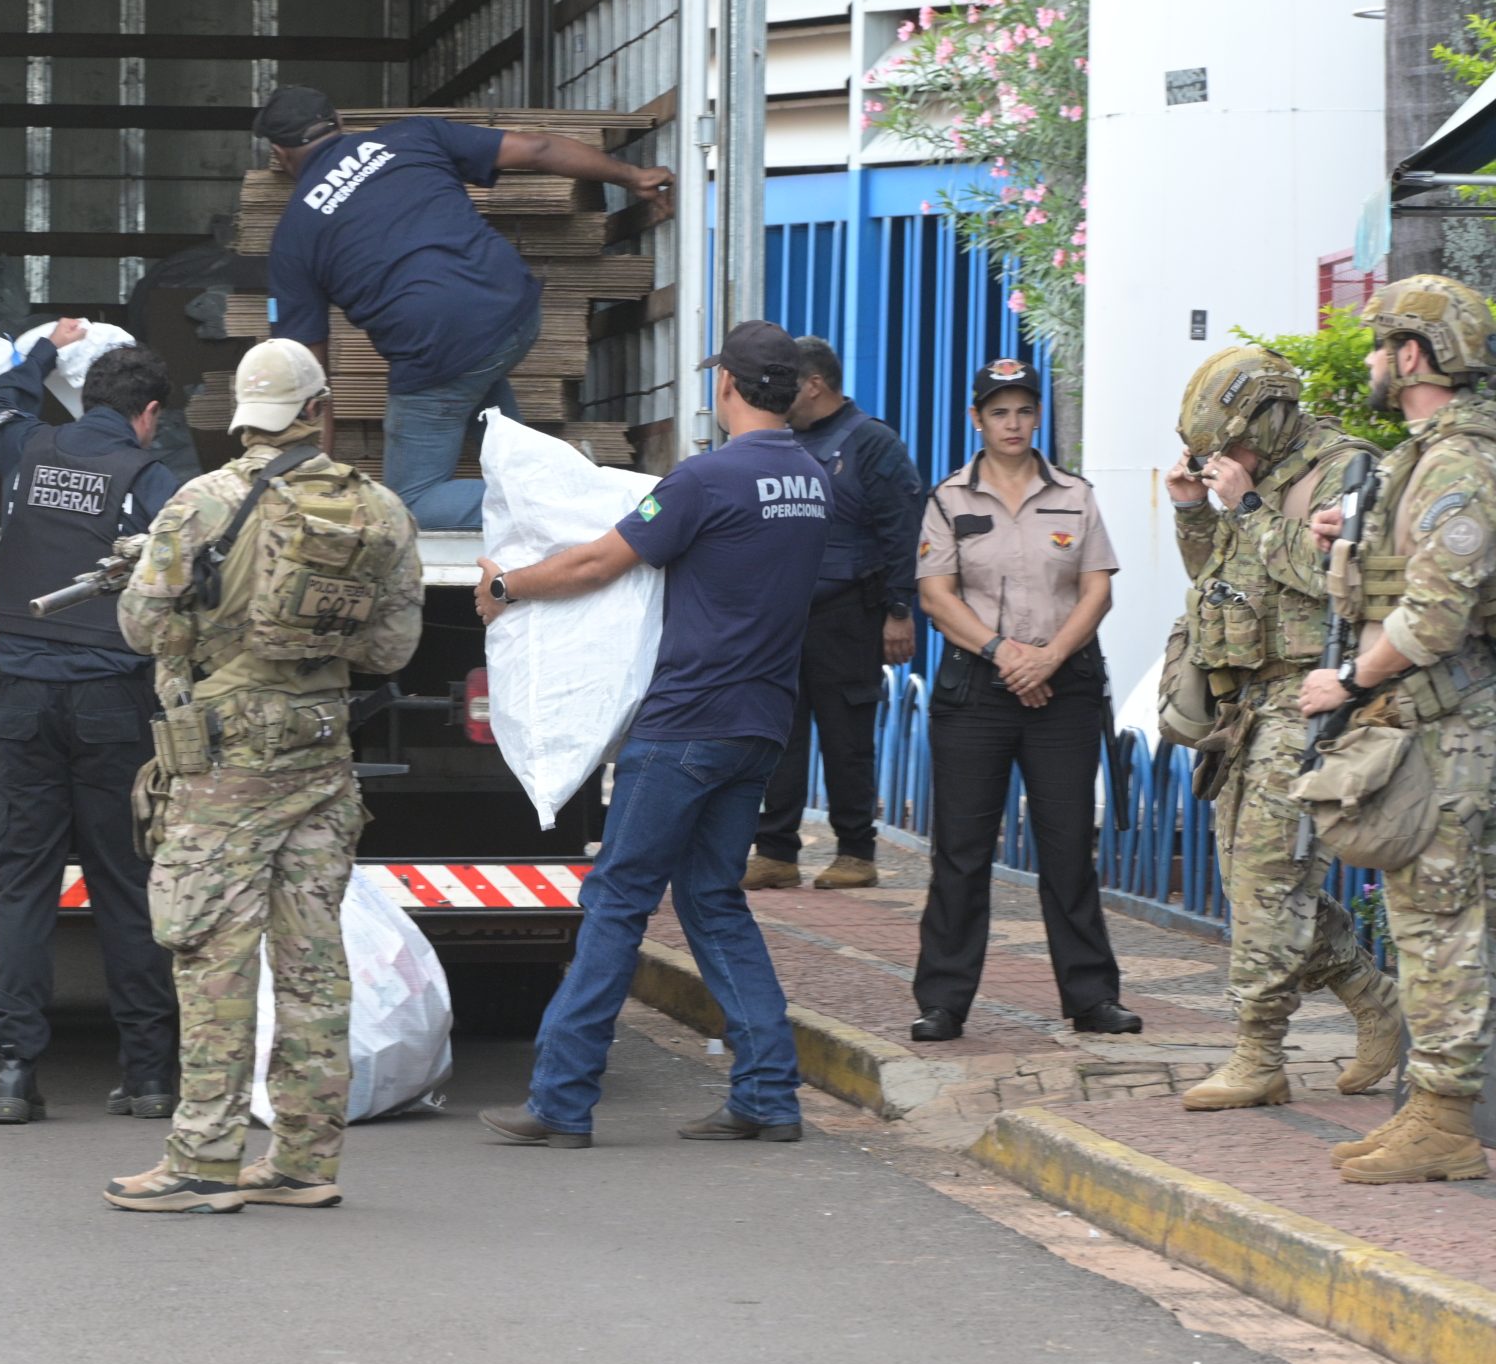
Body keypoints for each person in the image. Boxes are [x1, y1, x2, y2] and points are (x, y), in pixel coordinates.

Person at [475, 320, 829, 1148]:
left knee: (616, 899)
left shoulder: (707, 478)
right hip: (759, 723)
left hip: (687, 724)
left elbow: (600, 562)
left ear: (730, 387)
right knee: (712, 899)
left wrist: (508, 583)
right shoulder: (813, 480)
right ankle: (769, 1094)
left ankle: (561, 1099)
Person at [105, 338, 421, 1211]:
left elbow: (141, 626)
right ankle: (304, 1160)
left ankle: (203, 1156)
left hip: (224, 772)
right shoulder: (381, 511)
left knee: (214, 960)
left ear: (243, 414)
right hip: (322, 760)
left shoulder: (198, 504)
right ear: (319, 410)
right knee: (315, 964)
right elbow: (394, 648)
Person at [256, 85, 675, 529]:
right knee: (490, 413)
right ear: (339, 122)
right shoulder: (410, 137)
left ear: (281, 155)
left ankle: (584, 505)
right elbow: (538, 147)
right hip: (515, 313)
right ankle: (565, 480)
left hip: (441, 352)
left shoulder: (294, 236)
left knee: (413, 502)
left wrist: (311, 480)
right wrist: (633, 176)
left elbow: (307, 378)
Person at [1298, 275, 1496, 1186]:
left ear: (1413, 356)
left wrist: (1344, 679)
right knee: (1423, 921)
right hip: (1427, 722)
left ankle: (1448, 1117)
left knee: (1443, 919)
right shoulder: (1422, 457)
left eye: (1381, 345)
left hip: (1450, 727)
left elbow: (1436, 614)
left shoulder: (1459, 462)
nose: (1374, 360)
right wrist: (1352, 531)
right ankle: (1430, 1104)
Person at [1168, 347, 1402, 1111]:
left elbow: (1337, 577)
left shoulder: (1343, 469)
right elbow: (1215, 575)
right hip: (1246, 707)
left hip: (1310, 700)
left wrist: (1245, 508)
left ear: (1268, 417)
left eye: (1229, 445)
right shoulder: (1247, 480)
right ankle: (1375, 1001)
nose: (1222, 461)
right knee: (1255, 882)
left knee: (1270, 880)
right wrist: (1194, 510)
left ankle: (1258, 1051)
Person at [0, 323, 182, 1125]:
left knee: (23, 886)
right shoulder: (150, 475)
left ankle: (14, 1073)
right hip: (110, 701)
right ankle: (151, 1075)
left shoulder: (28, 449)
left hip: (22, 694)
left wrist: (40, 355)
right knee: (124, 887)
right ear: (147, 412)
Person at [910, 357, 1139, 1043]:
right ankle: (944, 1000)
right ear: (976, 418)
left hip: (1061, 686)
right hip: (977, 687)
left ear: (1039, 415)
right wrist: (1004, 653)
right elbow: (936, 596)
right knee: (961, 849)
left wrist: (1047, 656)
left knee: (1069, 846)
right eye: (999, 411)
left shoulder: (1075, 494)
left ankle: (1093, 996)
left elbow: (1097, 588)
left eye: (1023, 410)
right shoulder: (949, 499)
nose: (1013, 423)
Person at [742, 334, 925, 891]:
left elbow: (904, 533)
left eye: (786, 382)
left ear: (815, 385)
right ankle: (776, 852)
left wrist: (899, 611)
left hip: (849, 614)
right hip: (783, 615)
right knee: (779, 734)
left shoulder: (873, 443)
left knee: (847, 736)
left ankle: (855, 851)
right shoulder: (779, 440)